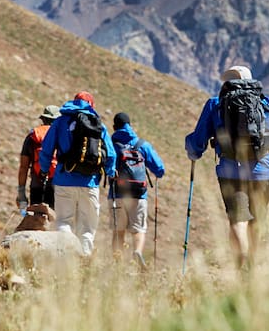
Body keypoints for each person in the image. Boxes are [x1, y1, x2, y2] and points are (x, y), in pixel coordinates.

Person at [184, 65, 269, 270]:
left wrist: (192, 150)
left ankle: (241, 267)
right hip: (263, 171)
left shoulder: (215, 105)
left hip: (230, 171)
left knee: (238, 220)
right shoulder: (266, 104)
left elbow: (198, 141)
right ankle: (252, 267)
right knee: (257, 220)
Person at [38, 91, 116, 257]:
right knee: (87, 226)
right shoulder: (98, 124)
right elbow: (111, 154)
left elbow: (46, 149)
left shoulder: (60, 122)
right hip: (90, 183)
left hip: (64, 180)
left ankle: (64, 257)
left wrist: (44, 170)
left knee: (63, 221)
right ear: (91, 105)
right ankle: (84, 259)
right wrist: (110, 172)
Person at [109, 112, 165, 267]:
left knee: (118, 231)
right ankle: (137, 252)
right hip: (139, 195)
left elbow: (107, 165)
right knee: (138, 229)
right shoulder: (142, 145)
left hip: (117, 194)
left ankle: (117, 264)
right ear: (130, 125)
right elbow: (160, 169)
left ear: (114, 127)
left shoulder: (112, 144)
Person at [18, 105, 60, 213]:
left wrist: (21, 193)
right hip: (57, 185)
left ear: (43, 119)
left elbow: (23, 167)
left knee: (36, 218)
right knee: (53, 219)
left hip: (37, 183)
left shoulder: (33, 136)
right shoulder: (61, 136)